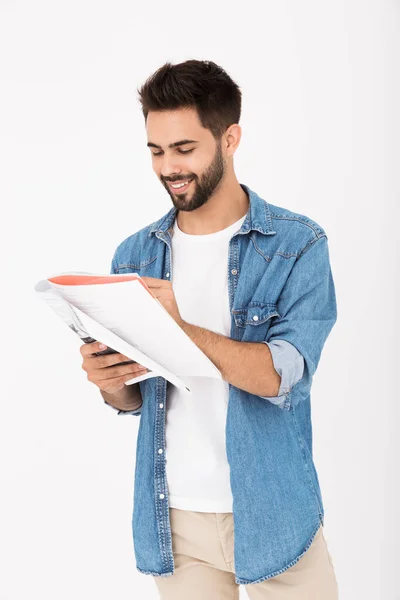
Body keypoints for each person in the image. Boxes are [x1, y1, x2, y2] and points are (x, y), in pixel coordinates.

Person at [80, 60, 339, 600]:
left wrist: (178, 327)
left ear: (230, 138)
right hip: (174, 519)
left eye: (184, 148)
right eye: (155, 150)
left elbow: (278, 376)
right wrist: (110, 382)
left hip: (274, 515)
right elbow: (136, 399)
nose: (168, 167)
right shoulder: (135, 255)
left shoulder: (298, 245)